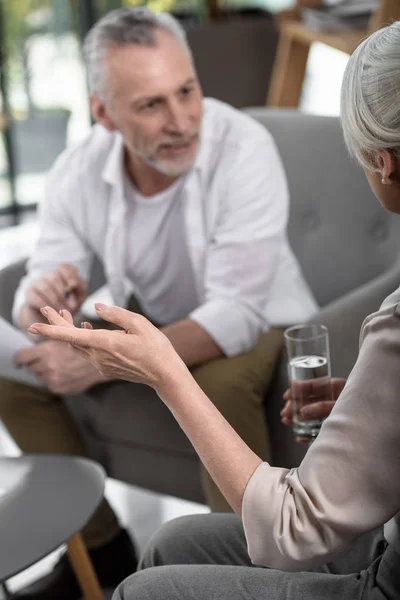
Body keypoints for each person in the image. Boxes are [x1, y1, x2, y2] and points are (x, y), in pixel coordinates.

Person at [30, 19, 400, 600]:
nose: (181, 120)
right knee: (167, 545)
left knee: (221, 385)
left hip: (254, 319)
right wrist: (48, 291)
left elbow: (237, 310)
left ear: (383, 162)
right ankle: (102, 548)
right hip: (168, 320)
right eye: (152, 104)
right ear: (102, 113)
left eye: (187, 91)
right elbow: (44, 267)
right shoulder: (79, 171)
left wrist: (157, 368)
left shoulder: (243, 147)